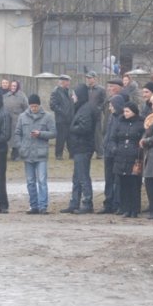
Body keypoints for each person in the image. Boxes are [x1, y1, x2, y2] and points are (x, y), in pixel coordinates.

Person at [15, 94, 56, 214]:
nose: (34, 108)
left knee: (42, 181)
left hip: (41, 154)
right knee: (30, 181)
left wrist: (41, 134)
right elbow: (17, 133)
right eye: (32, 106)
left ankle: (43, 206)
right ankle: (34, 206)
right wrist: (20, 146)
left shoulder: (47, 117)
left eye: (36, 106)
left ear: (39, 105)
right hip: (27, 153)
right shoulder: (22, 117)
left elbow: (54, 133)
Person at [61, 83, 98, 214]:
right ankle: (74, 203)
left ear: (80, 95)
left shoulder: (86, 109)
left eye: (74, 95)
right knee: (77, 177)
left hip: (83, 147)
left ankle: (87, 203)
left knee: (83, 177)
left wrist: (72, 129)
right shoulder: (81, 108)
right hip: (79, 147)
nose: (73, 97)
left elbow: (85, 127)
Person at [113, 101, 145, 218]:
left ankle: (134, 209)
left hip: (134, 156)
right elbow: (114, 137)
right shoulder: (120, 122)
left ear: (134, 112)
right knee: (123, 183)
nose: (125, 113)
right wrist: (115, 148)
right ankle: (125, 208)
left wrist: (138, 151)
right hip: (120, 156)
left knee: (134, 183)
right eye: (124, 111)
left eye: (128, 111)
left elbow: (143, 137)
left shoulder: (141, 123)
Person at [98, 95, 126, 214]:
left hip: (117, 153)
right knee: (108, 179)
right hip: (108, 152)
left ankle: (117, 204)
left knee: (117, 181)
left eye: (111, 106)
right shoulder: (111, 118)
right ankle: (108, 203)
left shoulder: (122, 119)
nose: (110, 108)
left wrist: (115, 148)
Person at [50, 74, 73, 160]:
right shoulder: (56, 91)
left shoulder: (69, 91)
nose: (69, 83)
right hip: (61, 119)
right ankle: (58, 155)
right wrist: (63, 112)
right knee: (61, 138)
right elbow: (53, 105)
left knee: (70, 138)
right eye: (68, 81)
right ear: (63, 82)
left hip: (70, 118)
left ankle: (72, 154)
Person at [5, 79, 29, 160]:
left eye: (15, 86)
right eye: (12, 86)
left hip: (18, 120)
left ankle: (16, 154)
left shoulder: (22, 96)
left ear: (17, 87)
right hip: (8, 120)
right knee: (8, 138)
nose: (13, 87)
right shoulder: (6, 96)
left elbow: (26, 108)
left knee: (17, 137)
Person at [86, 71, 106, 159]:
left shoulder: (101, 89)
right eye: (87, 78)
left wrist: (99, 109)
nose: (88, 79)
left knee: (98, 135)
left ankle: (100, 153)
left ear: (94, 78)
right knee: (88, 134)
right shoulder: (85, 89)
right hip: (87, 115)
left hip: (97, 115)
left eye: (90, 78)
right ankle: (89, 152)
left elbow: (104, 101)